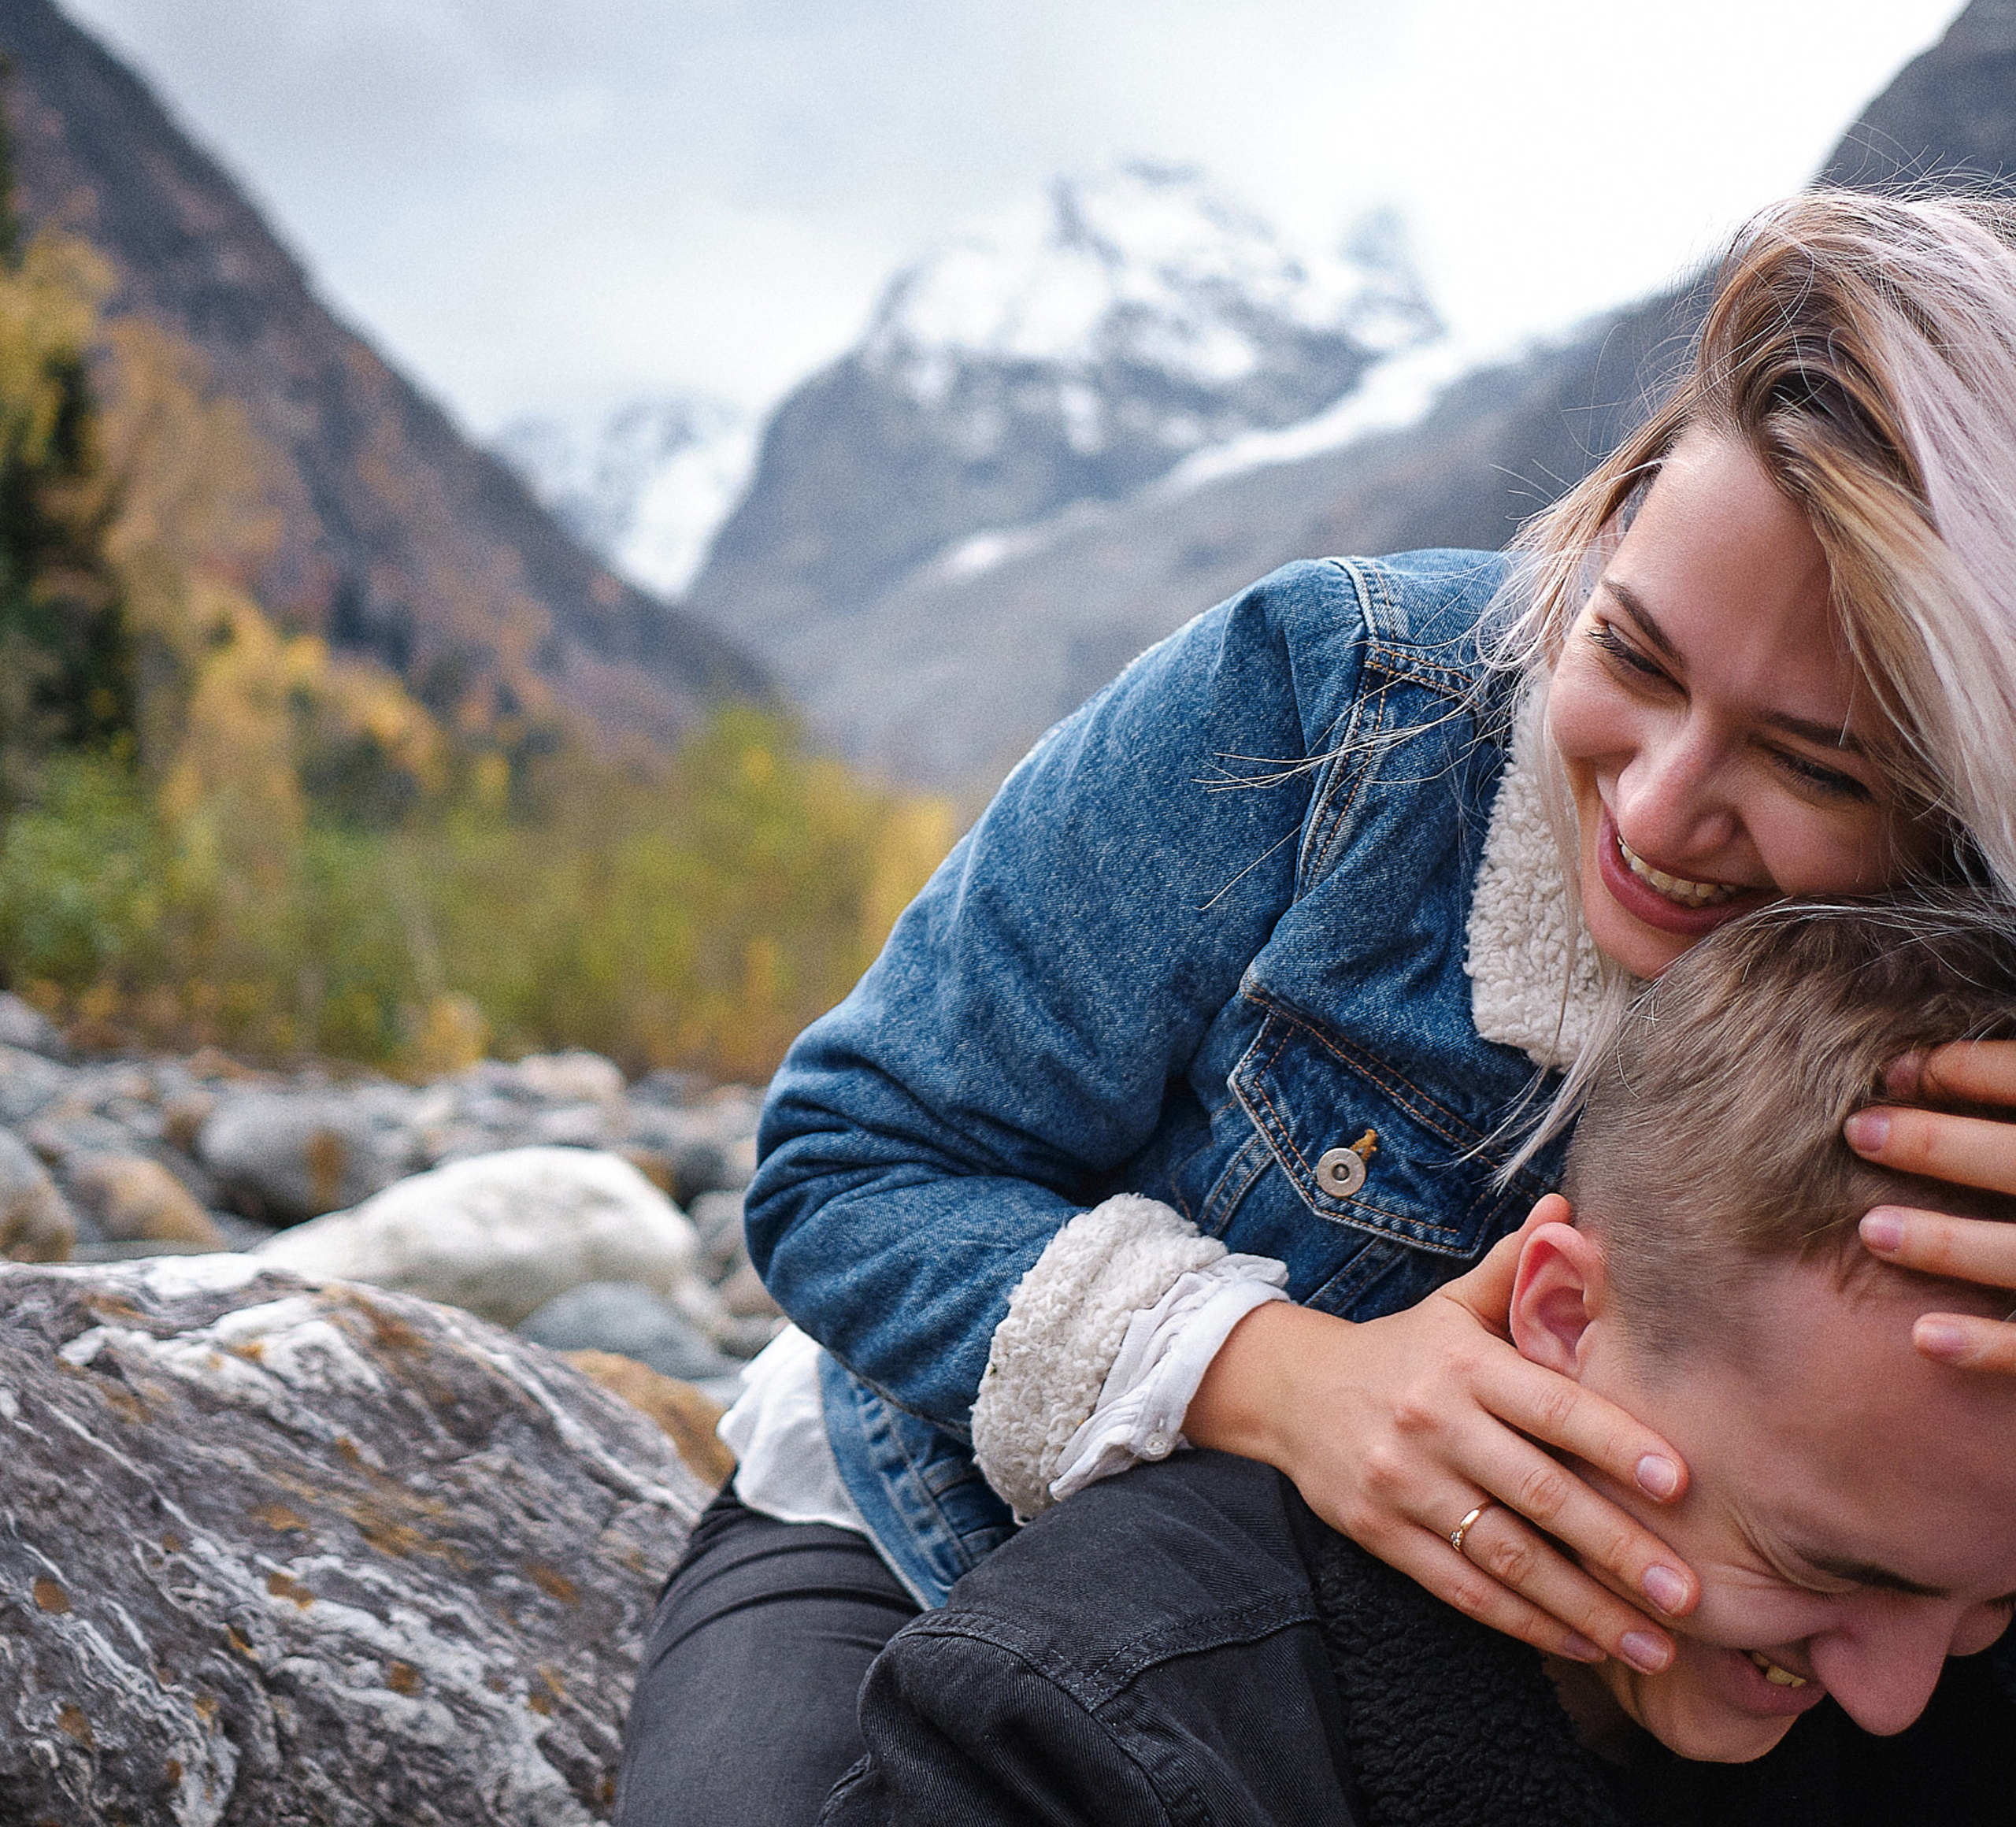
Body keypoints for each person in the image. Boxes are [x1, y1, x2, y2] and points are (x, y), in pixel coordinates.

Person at [613, 189, 2016, 1825]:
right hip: (924, 1524)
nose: (1655, 804)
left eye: (1809, 763)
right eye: (1628, 655)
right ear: (1614, 523)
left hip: (1502, 1669)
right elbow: (849, 1158)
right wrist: (1280, 1376)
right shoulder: (1327, 702)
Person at [820, 897, 2016, 1825]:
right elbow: (840, 1170)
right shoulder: (1082, 1733)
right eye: (1815, 1561)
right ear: (1560, 1320)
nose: (1897, 1701)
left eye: (1997, 1603)